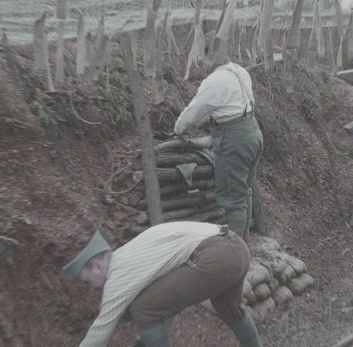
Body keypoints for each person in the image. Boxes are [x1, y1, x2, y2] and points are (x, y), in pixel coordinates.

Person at [62, 222, 262, 347]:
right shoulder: (133, 256)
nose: (91, 289)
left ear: (97, 266)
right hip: (235, 247)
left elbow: (101, 329)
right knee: (229, 307)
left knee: (143, 308)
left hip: (217, 254)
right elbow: (167, 302)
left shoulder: (117, 274)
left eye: (88, 282)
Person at [173, 31, 264, 240]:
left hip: (235, 140)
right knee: (244, 191)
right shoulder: (240, 71)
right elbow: (233, 105)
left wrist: (178, 130)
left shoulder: (214, 81)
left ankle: (235, 253)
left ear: (209, 54)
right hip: (253, 132)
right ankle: (245, 242)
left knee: (233, 200)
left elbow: (192, 113)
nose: (201, 62)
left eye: (202, 56)